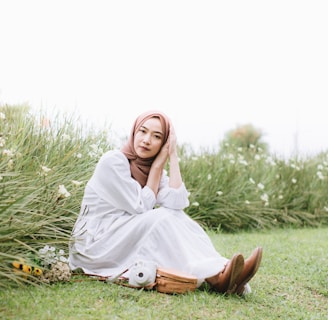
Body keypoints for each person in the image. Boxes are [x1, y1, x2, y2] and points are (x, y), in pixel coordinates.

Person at [69, 110, 263, 295]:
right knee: (162, 217)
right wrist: (157, 166)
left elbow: (177, 202)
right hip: (96, 243)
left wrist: (172, 156)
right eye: (142, 132)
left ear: (163, 143)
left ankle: (224, 272)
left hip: (121, 234)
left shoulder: (151, 168)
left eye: (156, 136)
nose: (146, 140)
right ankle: (219, 277)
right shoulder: (112, 162)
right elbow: (141, 207)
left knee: (176, 215)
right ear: (134, 132)